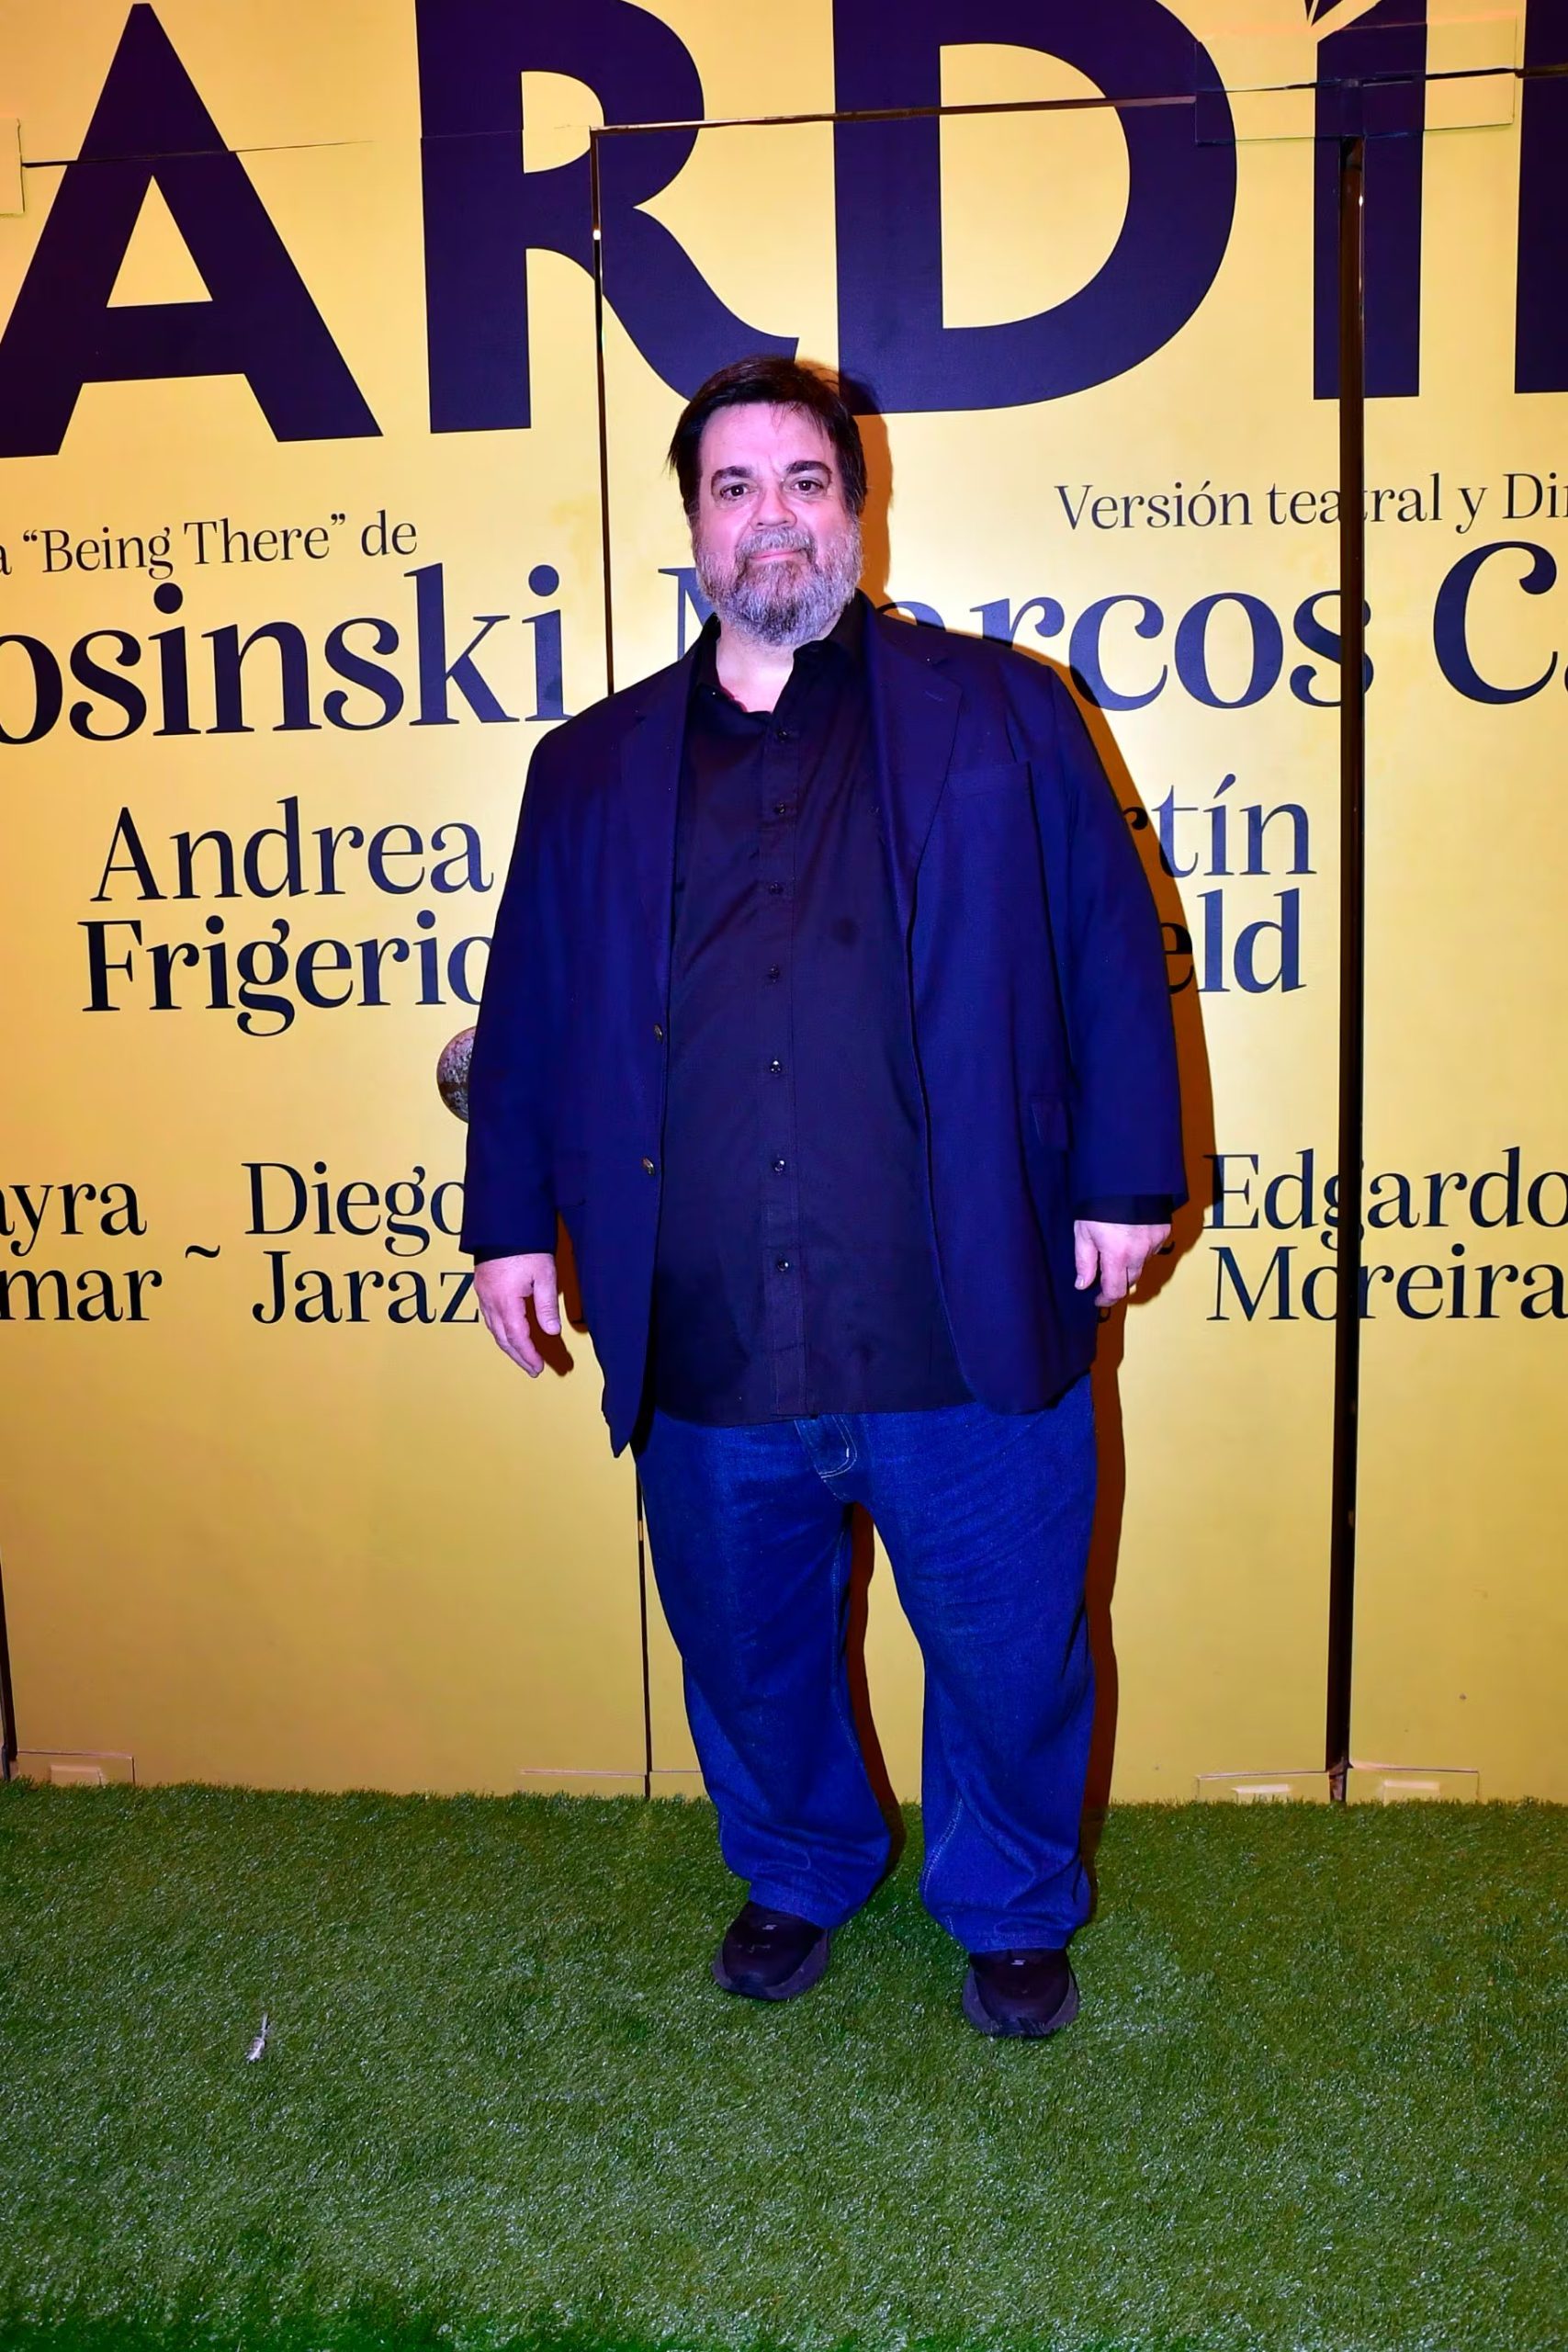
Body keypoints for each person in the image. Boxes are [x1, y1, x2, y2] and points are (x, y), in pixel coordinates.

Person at [462, 356, 1184, 2039]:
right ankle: (796, 1869)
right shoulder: (588, 769)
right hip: (708, 1316)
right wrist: (509, 1221)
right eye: (733, 486)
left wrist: (1129, 1178)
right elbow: (533, 1015)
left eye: (803, 480)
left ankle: (1009, 1899)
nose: (770, 516)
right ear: (692, 526)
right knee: (748, 1647)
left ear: (854, 509)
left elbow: (1104, 950)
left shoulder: (1003, 712)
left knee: (1012, 1652)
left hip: (965, 1300)